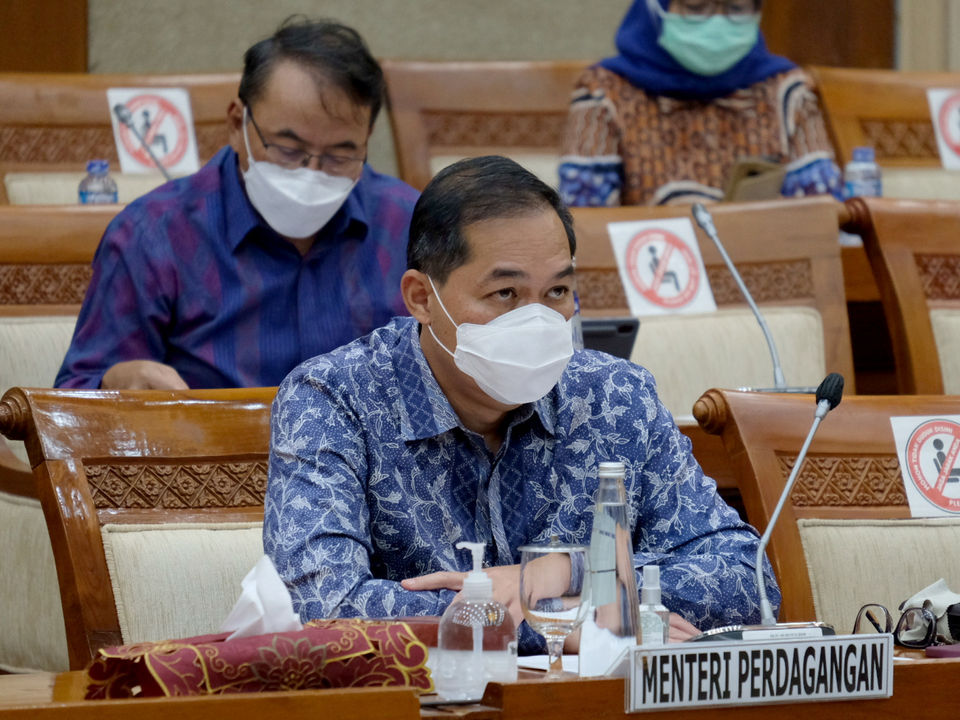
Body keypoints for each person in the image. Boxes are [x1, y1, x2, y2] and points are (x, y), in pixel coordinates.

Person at [264, 155, 779, 653]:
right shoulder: (334, 399)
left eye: (557, 291)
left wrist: (566, 571)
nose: (536, 320)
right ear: (421, 297)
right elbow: (322, 610)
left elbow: (744, 580)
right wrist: (561, 620)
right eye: (506, 294)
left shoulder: (616, 398)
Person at [55, 18, 418, 390]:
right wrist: (116, 384)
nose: (312, 173)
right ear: (236, 124)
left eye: (341, 155)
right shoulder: (153, 235)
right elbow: (72, 401)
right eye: (288, 149)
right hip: (211, 445)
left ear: (367, 140)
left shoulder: (408, 223)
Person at [558, 0, 842, 207]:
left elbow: (823, 212)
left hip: (766, 274)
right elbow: (583, 224)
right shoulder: (605, 92)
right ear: (656, 8)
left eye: (737, 8)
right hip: (646, 275)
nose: (717, 22)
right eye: (696, 7)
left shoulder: (785, 90)